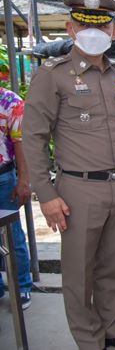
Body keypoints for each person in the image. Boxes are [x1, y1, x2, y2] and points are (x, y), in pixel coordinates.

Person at [23, 0, 115, 350]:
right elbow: (33, 137)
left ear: (113, 31)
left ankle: (113, 328)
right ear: (71, 28)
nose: (94, 32)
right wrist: (46, 195)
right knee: (79, 272)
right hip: (78, 189)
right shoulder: (53, 74)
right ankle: (89, 339)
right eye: (84, 24)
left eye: (103, 25)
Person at [0, 87, 32, 309]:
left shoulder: (10, 101)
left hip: (3, 178)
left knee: (11, 236)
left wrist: (23, 181)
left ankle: (22, 287)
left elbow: (21, 143)